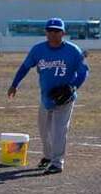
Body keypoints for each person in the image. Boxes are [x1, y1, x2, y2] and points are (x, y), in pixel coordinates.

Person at [7, 18, 89, 175]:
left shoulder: (73, 51)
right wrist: (14, 84)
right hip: (46, 97)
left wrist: (73, 87)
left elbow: (84, 71)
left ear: (63, 33)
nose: (53, 33)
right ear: (45, 32)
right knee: (44, 130)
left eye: (57, 31)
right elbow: (25, 67)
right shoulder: (38, 50)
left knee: (59, 130)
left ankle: (57, 162)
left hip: (65, 98)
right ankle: (47, 156)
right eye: (50, 30)